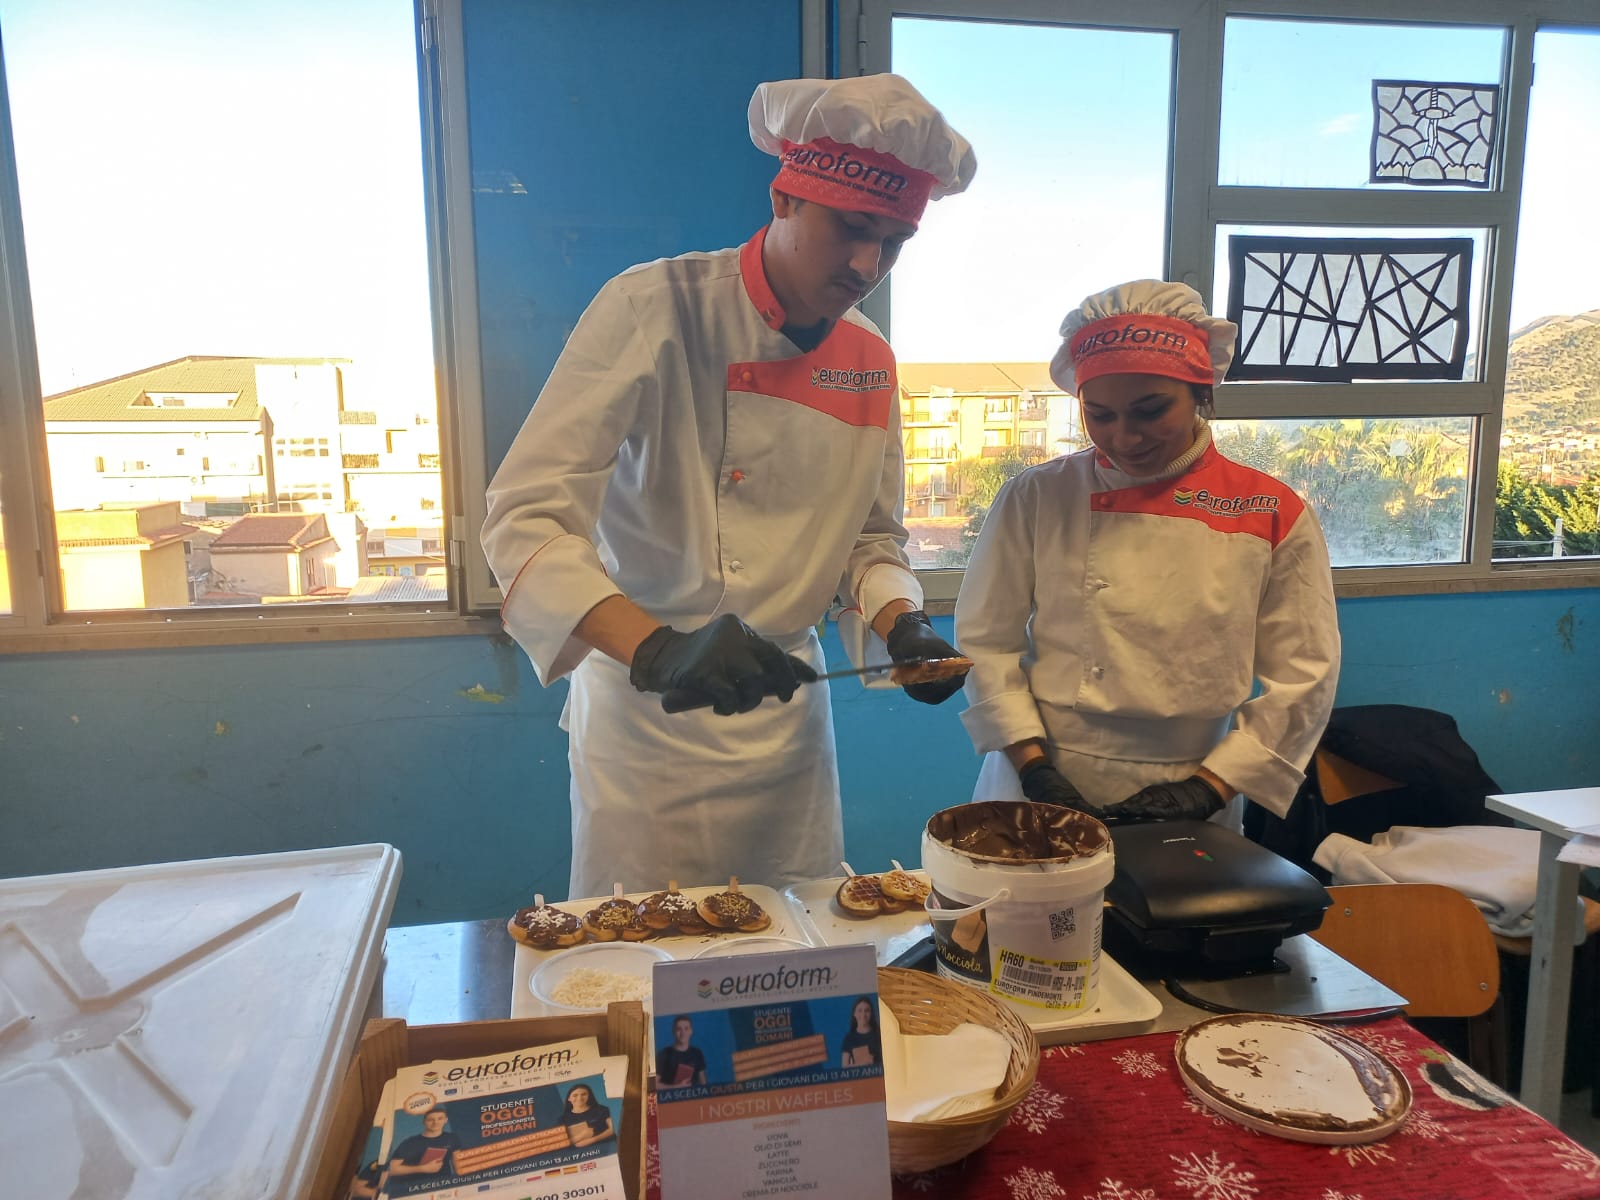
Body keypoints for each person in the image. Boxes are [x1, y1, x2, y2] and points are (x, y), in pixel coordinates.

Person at [482, 74, 977, 896]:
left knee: (799, 944)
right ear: (784, 198)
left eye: (893, 242)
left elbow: (869, 537)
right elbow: (525, 517)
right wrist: (659, 648)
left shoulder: (868, 358)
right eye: (852, 228)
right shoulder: (652, 308)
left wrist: (905, 623)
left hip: (785, 718)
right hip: (647, 721)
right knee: (649, 943)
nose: (868, 265)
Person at [954, 281, 1340, 828]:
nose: (1124, 438)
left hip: (1196, 778)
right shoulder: (1038, 496)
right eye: (1099, 414)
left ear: (1201, 393)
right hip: (1038, 771)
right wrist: (1033, 766)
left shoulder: (1269, 509)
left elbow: (1305, 673)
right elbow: (985, 640)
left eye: (1150, 410)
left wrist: (1209, 789)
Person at [386, 1107, 459, 1181]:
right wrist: (422, 1168)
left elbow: (457, 1163)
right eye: (430, 1120)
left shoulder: (452, 1138)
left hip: (444, 1182)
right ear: (424, 1122)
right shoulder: (410, 1142)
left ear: (446, 1120)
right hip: (416, 1184)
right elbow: (391, 1169)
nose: (435, 1123)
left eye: (440, 1118)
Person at [657, 1015, 708, 1088]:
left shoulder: (697, 1053)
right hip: (671, 1095)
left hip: (693, 1095)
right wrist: (676, 1087)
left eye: (686, 1029)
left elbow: (704, 1084)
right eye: (679, 1029)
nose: (683, 1033)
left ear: (691, 1031)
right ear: (674, 1031)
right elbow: (654, 1085)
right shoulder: (664, 1054)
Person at [561, 1083, 615, 1148]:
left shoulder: (602, 1110)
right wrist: (582, 1136)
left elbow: (612, 1129)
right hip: (579, 1152)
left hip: (607, 1146)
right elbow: (561, 1144)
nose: (579, 1098)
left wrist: (592, 1140)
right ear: (569, 1098)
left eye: (584, 1094)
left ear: (589, 1096)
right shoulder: (563, 1119)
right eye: (575, 1095)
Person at [840, 996, 882, 1067]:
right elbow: (844, 1067)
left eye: (867, 1011)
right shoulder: (849, 1039)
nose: (863, 1014)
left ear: (871, 1014)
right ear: (854, 1014)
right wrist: (861, 1064)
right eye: (860, 1010)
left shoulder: (879, 1035)